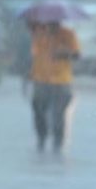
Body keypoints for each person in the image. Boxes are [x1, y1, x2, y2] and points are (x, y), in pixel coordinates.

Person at [28, 20, 80, 153]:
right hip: (41, 79)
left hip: (61, 80)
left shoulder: (68, 34)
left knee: (59, 114)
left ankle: (58, 141)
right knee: (38, 110)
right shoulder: (39, 34)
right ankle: (42, 136)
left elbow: (76, 54)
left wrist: (62, 53)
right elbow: (35, 54)